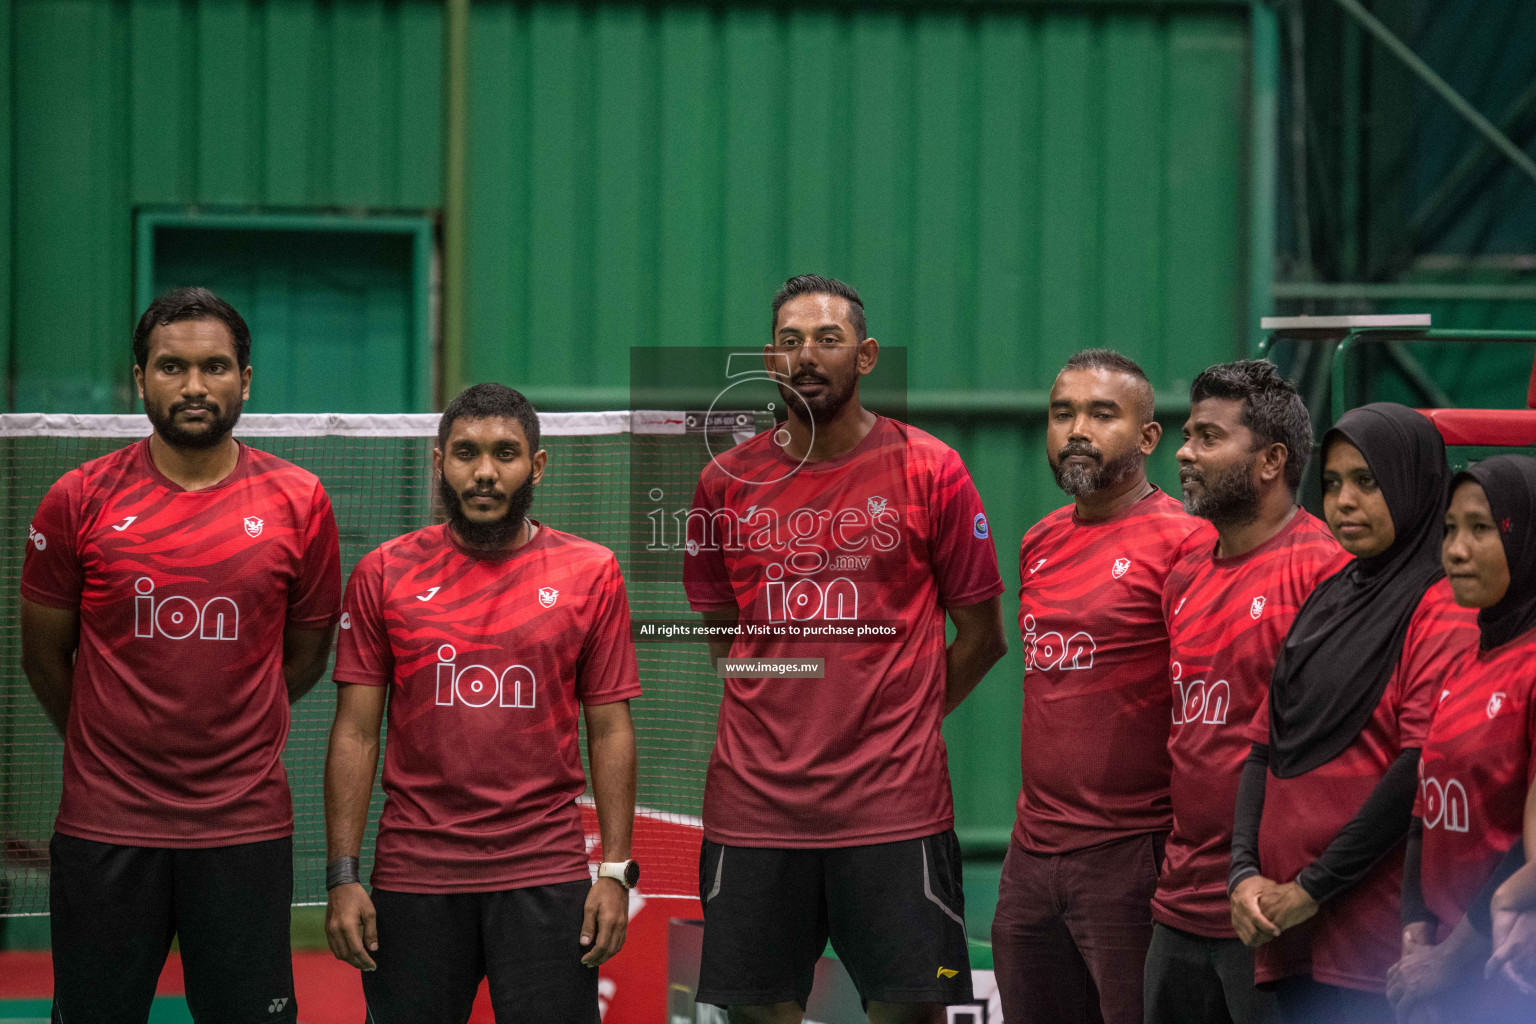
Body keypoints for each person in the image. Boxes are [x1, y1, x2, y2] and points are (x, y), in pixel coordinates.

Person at [683, 275, 1008, 1024]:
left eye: (827, 340)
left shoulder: (933, 469)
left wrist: (902, 718)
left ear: (863, 356)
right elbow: (723, 637)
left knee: (910, 1014)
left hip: (896, 810)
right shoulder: (723, 483)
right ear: (769, 358)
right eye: (791, 341)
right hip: (754, 811)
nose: (807, 356)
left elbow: (984, 637)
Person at [20, 287, 341, 1024]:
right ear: (140, 378)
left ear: (246, 379)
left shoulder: (301, 500)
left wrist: (229, 724)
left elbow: (306, 654)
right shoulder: (78, 499)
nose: (194, 386)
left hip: (243, 829)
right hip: (104, 828)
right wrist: (107, 744)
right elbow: (45, 657)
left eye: (215, 367)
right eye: (172, 367)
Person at [323, 383, 640, 1024]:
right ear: (438, 461)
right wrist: (342, 876)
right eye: (466, 453)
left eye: (506, 453)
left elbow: (609, 730)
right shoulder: (383, 573)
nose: (486, 472)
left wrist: (613, 870)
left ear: (537, 466)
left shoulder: (591, 571)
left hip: (544, 872)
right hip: (415, 875)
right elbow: (356, 732)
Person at [1227, 403, 1479, 1024]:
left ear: (1414, 482)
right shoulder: (1328, 597)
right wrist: (1242, 874)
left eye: (1367, 482)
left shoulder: (1442, 603)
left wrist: (1312, 888)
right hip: (1286, 932)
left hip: (1372, 945)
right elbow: (1265, 747)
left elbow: (1417, 767)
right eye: (1334, 483)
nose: (1343, 501)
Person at [992, 348, 1203, 1024]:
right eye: (1063, 413)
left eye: (1101, 414)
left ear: (1148, 438)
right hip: (1032, 855)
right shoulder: (1039, 541)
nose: (1076, 430)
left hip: (1133, 857)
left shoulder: (1187, 544)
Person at [1146, 361, 1348, 1024]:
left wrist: (1297, 887)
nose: (1183, 451)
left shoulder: (1324, 573)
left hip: (1270, 914)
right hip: (1178, 908)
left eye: (1208, 437)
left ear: (1271, 461)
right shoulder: (1183, 576)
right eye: (1186, 433)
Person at [1387, 454, 1536, 1022]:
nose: (1455, 550)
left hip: (1503, 971)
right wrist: (1414, 929)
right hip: (1443, 972)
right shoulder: (1465, 667)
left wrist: (1455, 955)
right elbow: (1427, 814)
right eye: (1450, 529)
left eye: (1481, 529)